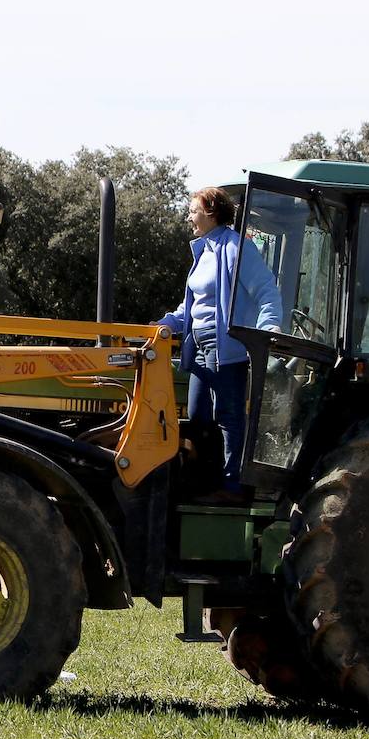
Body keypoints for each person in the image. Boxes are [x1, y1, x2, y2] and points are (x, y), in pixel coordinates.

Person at [155, 187, 283, 503]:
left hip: (224, 350)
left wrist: (268, 327)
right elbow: (195, 305)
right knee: (198, 417)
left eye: (193, 210)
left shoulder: (236, 248)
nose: (189, 216)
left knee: (229, 416)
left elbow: (267, 291)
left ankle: (233, 489)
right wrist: (168, 324)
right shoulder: (204, 251)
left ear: (211, 212)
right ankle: (206, 483)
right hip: (198, 350)